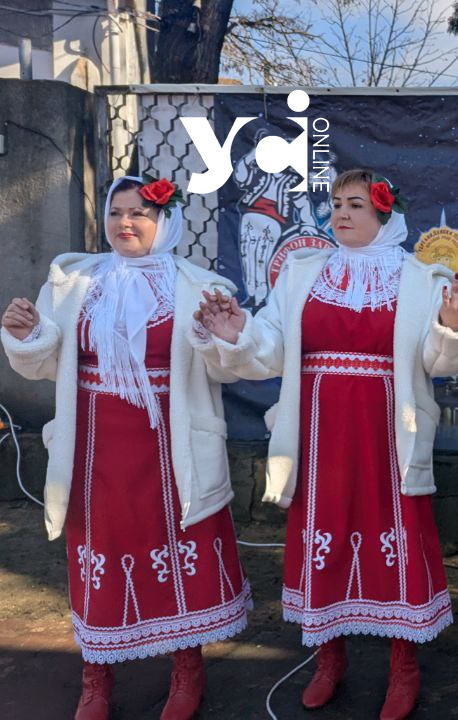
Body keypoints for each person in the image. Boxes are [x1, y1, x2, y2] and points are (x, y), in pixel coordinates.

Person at [193, 169, 458, 720]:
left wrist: (449, 324)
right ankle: (328, 658)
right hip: (320, 433)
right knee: (326, 536)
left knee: (395, 535)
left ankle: (403, 666)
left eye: (357, 205)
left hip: (387, 433)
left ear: (384, 216)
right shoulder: (304, 272)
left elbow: (438, 361)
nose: (342, 213)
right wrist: (239, 333)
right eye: (338, 203)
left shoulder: (421, 279)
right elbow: (272, 346)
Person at [1, 175, 252, 720]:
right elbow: (47, 364)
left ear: (166, 221)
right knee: (99, 549)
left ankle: (187, 668)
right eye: (116, 212)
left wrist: (222, 337)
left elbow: (227, 368)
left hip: (170, 443)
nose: (125, 223)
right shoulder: (73, 281)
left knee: (178, 545)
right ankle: (97, 675)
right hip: (95, 443)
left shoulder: (200, 287)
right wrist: (26, 335)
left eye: (139, 212)